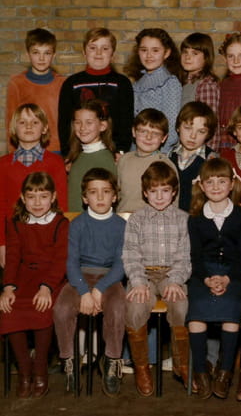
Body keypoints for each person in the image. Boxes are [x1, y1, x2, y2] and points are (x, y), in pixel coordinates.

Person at [53, 168, 126, 397]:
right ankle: (70, 361)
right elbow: (71, 262)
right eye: (94, 192)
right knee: (62, 309)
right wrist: (85, 292)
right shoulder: (77, 224)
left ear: (115, 196)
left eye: (106, 191)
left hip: (110, 278)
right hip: (80, 277)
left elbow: (121, 264)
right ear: (85, 198)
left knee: (117, 308)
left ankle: (112, 361)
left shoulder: (121, 225)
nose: (100, 197)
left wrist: (100, 289)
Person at [122, 161, 191, 397]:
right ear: (145, 193)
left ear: (174, 192)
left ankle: (182, 363)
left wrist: (175, 279)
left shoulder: (183, 219)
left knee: (180, 305)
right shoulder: (136, 219)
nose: (159, 197)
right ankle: (142, 367)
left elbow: (185, 256)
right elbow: (130, 254)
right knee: (135, 307)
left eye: (165, 191)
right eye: (153, 191)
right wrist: (138, 282)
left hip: (171, 274)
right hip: (144, 273)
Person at [187, 157, 241, 400]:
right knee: (196, 313)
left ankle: (225, 372)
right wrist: (206, 279)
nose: (216, 187)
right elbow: (194, 255)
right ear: (201, 186)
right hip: (202, 273)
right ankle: (201, 372)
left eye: (222, 181)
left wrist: (227, 279)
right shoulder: (195, 217)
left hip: (233, 273)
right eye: (210, 182)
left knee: (232, 310)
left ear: (232, 184)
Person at [0, 172, 68, 398]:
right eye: (31, 197)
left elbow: (61, 261)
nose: (37, 203)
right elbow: (12, 258)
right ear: (23, 198)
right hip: (23, 277)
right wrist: (8, 287)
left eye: (43, 196)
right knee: (9, 309)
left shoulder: (60, 224)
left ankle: (40, 369)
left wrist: (46, 287)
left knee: (43, 308)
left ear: (53, 197)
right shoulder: (15, 223)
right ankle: (24, 370)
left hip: (51, 278)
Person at [0, 104, 68, 268]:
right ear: (14, 128)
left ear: (44, 128)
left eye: (35, 122)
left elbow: (62, 206)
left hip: (47, 239)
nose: (28, 126)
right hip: (14, 241)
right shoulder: (3, 165)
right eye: (22, 122)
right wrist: (2, 244)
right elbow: (1, 207)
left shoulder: (55, 162)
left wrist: (60, 243)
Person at [58, 27, 134, 155]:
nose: (98, 53)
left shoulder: (122, 83)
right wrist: (67, 154)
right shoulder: (71, 83)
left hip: (113, 152)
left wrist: (121, 151)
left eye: (105, 48)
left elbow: (126, 121)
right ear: (84, 52)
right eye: (93, 48)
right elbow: (64, 123)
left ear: (113, 54)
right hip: (79, 152)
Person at [6, 28, 65, 153]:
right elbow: (11, 123)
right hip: (26, 149)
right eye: (36, 52)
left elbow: (68, 121)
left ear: (54, 55)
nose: (41, 58)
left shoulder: (62, 83)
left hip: (57, 150)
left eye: (47, 53)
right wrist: (12, 154)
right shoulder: (16, 83)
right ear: (28, 54)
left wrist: (69, 152)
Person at [124, 28, 182, 151]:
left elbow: (172, 128)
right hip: (137, 150)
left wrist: (160, 155)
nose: (149, 55)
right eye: (144, 50)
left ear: (166, 53)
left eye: (155, 50)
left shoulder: (169, 82)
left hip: (157, 152)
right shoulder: (138, 82)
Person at [116, 108, 177, 213]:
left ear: (164, 138)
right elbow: (117, 193)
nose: (148, 137)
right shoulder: (124, 160)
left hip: (151, 221)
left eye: (155, 133)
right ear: (134, 132)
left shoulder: (166, 165)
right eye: (143, 131)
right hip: (122, 218)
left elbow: (173, 206)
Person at [65, 99, 116, 212]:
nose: (82, 128)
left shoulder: (105, 159)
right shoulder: (77, 156)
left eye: (89, 122)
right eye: (78, 122)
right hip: (73, 219)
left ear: (102, 126)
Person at [168, 101, 219, 212]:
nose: (193, 136)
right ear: (178, 127)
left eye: (201, 131)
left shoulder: (212, 160)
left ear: (208, 134)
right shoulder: (168, 155)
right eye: (187, 128)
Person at [179, 32, 220, 149]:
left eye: (195, 53)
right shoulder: (185, 82)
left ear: (206, 58)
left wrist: (209, 154)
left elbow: (210, 125)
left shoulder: (206, 85)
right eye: (185, 52)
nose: (187, 57)